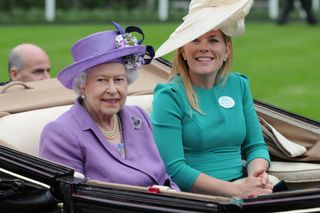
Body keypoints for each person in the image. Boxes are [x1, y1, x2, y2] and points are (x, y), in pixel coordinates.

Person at [151, 0, 273, 199]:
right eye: (195, 40)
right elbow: (174, 169)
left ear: (227, 50)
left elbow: (256, 146)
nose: (203, 48)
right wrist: (237, 190)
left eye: (213, 40)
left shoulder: (238, 85)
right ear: (182, 50)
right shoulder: (169, 95)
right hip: (197, 198)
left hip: (243, 187)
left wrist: (257, 175)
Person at [39, 22, 179, 190]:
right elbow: (72, 198)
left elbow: (164, 177)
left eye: (119, 79)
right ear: (83, 84)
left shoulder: (138, 117)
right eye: (102, 80)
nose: (112, 90)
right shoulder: (61, 133)